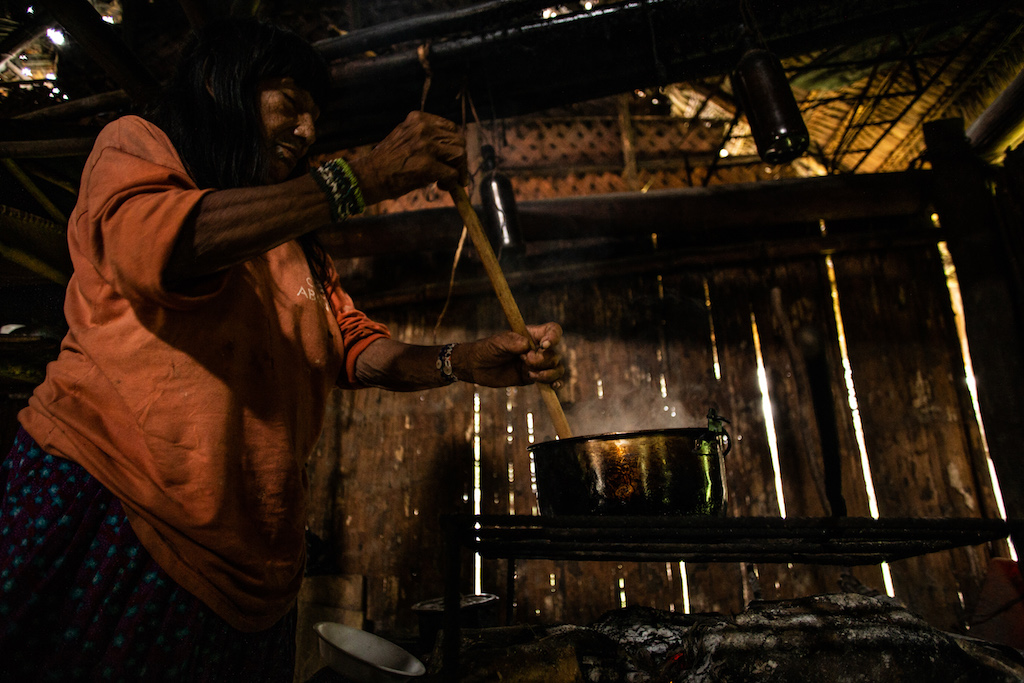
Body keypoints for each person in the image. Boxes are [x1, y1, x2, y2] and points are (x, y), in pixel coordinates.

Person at [0, 17, 563, 682]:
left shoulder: (291, 242)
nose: (306, 131)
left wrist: (459, 361)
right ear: (221, 87)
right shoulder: (139, 148)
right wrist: (360, 177)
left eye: (314, 118)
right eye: (290, 105)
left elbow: (350, 347)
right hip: (118, 506)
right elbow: (164, 248)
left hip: (248, 556)